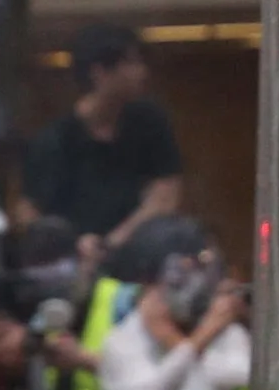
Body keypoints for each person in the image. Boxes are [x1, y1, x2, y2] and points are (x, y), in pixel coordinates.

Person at [21, 23, 187, 265]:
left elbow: (165, 195)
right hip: (75, 265)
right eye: (131, 63)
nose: (142, 73)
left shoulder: (150, 123)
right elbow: (29, 211)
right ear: (99, 72)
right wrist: (73, 245)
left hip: (138, 260)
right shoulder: (55, 140)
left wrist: (113, 242)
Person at [92, 245, 250, 390]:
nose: (191, 290)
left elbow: (245, 380)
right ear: (149, 286)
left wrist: (178, 343)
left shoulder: (217, 326)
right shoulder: (120, 342)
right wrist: (194, 344)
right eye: (178, 280)